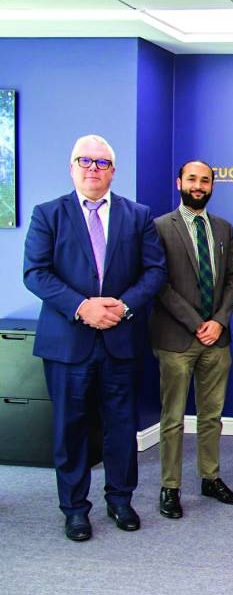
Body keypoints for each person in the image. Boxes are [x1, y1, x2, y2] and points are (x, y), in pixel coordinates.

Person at [23, 134, 167, 541]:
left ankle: (120, 500)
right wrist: (81, 306)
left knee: (121, 424)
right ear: (72, 167)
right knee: (71, 427)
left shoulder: (137, 215)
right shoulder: (47, 214)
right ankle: (74, 509)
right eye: (84, 161)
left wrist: (122, 307)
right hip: (68, 343)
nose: (93, 168)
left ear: (113, 171)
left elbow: (154, 272)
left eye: (101, 163)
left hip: (120, 338)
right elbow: (36, 272)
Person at [150, 160, 233, 519]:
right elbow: (159, 283)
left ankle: (210, 477)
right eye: (193, 179)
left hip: (216, 340)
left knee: (212, 416)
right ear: (179, 183)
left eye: (206, 180)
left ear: (213, 186)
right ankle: (170, 487)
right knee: (172, 418)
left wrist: (218, 322)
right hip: (176, 339)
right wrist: (196, 322)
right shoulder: (159, 227)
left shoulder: (223, 228)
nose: (199, 185)